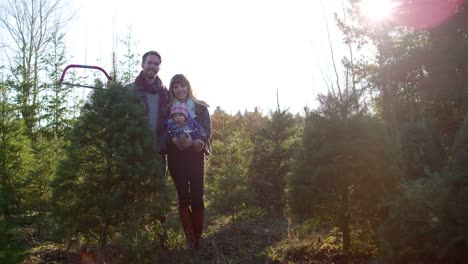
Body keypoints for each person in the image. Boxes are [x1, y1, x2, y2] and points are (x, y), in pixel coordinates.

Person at [165, 74, 211, 250]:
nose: (180, 90)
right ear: (172, 90)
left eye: (182, 86)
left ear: (188, 87)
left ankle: (198, 235)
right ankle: (190, 239)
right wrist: (176, 141)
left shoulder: (200, 108)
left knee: (197, 197)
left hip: (195, 156)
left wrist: (194, 142)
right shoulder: (168, 108)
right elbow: (164, 133)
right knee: (183, 198)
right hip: (176, 159)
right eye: (175, 87)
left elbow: (206, 130)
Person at [126, 50, 168, 176]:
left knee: (158, 187)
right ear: (142, 64)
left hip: (159, 147)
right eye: (149, 63)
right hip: (135, 147)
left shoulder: (165, 93)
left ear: (159, 67)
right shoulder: (129, 90)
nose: (152, 66)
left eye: (156, 64)